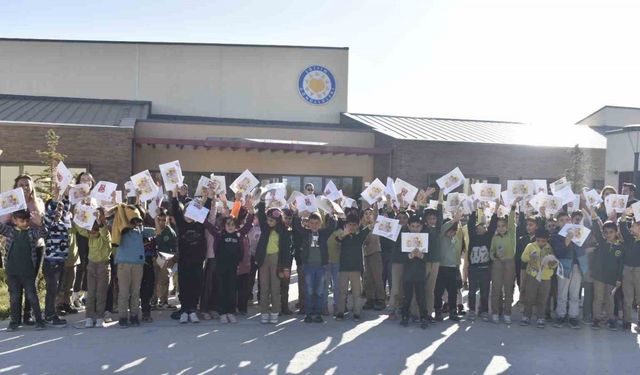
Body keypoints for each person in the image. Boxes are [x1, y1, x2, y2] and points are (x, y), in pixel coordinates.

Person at [1, 175, 46, 326]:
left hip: (34, 247)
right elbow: (2, 224)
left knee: (30, 287)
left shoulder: (38, 202)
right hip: (15, 252)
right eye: (22, 184)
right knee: (15, 293)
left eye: (27, 185)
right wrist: (9, 207)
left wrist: (40, 223)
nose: (25, 187)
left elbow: (42, 228)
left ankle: (29, 316)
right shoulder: (11, 201)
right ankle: (15, 319)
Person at [170, 187, 215, 324]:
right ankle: (184, 310)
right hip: (184, 260)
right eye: (188, 212)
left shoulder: (200, 222)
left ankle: (192, 310)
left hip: (197, 261)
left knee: (196, 285)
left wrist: (209, 196)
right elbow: (175, 207)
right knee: (184, 285)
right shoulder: (181, 222)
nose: (190, 215)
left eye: (193, 212)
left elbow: (206, 209)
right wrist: (174, 193)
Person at [112, 201, 157, 328]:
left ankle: (134, 316)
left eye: (138, 219)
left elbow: (157, 231)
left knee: (135, 292)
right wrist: (117, 204)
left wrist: (157, 217)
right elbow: (117, 216)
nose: (136, 221)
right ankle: (122, 317)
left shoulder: (141, 229)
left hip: (138, 265)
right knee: (124, 292)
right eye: (134, 219)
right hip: (123, 264)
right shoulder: (121, 228)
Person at [210, 197, 254, 324]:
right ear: (224, 225)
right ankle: (222, 312)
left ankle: (230, 311)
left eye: (232, 225)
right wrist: (199, 212)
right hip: (221, 267)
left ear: (235, 226)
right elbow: (207, 225)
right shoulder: (219, 235)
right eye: (227, 224)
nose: (230, 227)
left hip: (233, 267)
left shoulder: (238, 234)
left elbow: (249, 224)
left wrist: (251, 210)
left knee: (231, 289)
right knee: (222, 289)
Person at [294, 210, 336, 323]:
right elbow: (296, 225)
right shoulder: (306, 233)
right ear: (308, 223)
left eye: (317, 223)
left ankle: (318, 313)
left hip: (321, 267)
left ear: (321, 223)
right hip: (308, 266)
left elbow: (332, 227)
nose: (314, 225)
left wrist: (332, 214)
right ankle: (308, 313)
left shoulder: (323, 233)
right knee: (309, 290)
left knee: (319, 291)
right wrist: (298, 214)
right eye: (311, 223)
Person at [255, 200, 293, 324]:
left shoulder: (284, 232)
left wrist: (286, 268)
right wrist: (262, 201)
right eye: (268, 220)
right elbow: (261, 215)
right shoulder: (265, 228)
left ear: (277, 221)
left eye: (271, 220)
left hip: (277, 260)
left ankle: (275, 312)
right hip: (264, 259)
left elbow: (287, 252)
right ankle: (264, 312)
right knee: (264, 286)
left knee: (275, 287)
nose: (268, 222)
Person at [77, 208, 112, 328]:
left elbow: (104, 232)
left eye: (93, 231)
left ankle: (100, 317)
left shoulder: (105, 236)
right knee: (91, 293)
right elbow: (81, 229)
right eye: (90, 231)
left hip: (103, 265)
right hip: (91, 265)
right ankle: (89, 317)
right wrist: (79, 215)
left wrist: (98, 220)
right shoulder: (90, 235)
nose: (91, 233)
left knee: (101, 293)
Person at [550, 211, 586, 329]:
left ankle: (573, 316)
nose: (565, 222)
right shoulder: (555, 236)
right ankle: (561, 315)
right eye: (562, 220)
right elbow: (559, 251)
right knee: (562, 292)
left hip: (577, 265)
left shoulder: (578, 232)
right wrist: (567, 239)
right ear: (558, 223)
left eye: (567, 220)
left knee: (575, 293)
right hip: (564, 265)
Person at [588, 211, 624, 331]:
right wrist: (594, 219)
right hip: (599, 277)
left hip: (612, 278)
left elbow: (621, 265)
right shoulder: (602, 243)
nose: (608, 234)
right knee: (598, 298)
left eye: (611, 232)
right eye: (606, 232)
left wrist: (619, 278)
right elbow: (596, 231)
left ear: (616, 232)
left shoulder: (620, 247)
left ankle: (611, 319)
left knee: (610, 299)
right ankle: (596, 319)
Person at [42, 189, 71, 327]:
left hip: (61, 262)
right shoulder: (48, 223)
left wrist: (66, 196)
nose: (59, 211)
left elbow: (66, 208)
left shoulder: (63, 223)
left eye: (61, 209)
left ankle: (51, 312)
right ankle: (49, 315)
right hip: (50, 263)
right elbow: (49, 215)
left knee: (57, 289)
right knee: (52, 290)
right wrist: (55, 200)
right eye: (56, 209)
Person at [335, 213, 370, 321]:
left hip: (356, 269)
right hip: (343, 269)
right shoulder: (342, 236)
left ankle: (357, 312)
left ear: (358, 225)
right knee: (342, 292)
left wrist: (370, 218)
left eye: (354, 224)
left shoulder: (359, 236)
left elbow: (369, 228)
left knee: (356, 292)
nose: (352, 227)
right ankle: (340, 312)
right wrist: (344, 234)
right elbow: (338, 240)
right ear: (345, 225)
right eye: (350, 224)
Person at [467, 201, 498, 321]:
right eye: (478, 227)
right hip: (473, 269)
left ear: (486, 229)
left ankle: (484, 311)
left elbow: (493, 225)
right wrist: (474, 209)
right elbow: (470, 224)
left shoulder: (488, 237)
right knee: (471, 292)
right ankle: (471, 310)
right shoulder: (473, 237)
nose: (480, 228)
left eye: (483, 227)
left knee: (485, 292)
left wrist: (496, 209)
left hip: (485, 269)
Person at [489, 199, 518, 324]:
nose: (501, 228)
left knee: (508, 289)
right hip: (497, 264)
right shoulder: (495, 238)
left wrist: (513, 205)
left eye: (503, 226)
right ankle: (495, 312)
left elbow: (511, 220)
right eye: (499, 226)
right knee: (496, 289)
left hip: (509, 263)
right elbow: (491, 252)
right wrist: (495, 256)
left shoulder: (511, 234)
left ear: (507, 227)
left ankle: (507, 313)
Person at [520, 228, 557, 328]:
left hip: (546, 277)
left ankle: (541, 317)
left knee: (543, 298)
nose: (541, 243)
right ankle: (526, 316)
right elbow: (523, 258)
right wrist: (530, 257)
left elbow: (554, 263)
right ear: (536, 239)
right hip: (532, 275)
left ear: (547, 240)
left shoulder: (550, 248)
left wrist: (552, 263)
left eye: (543, 241)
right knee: (529, 297)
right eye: (539, 240)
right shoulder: (530, 246)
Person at [401, 214, 432, 329]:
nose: (415, 228)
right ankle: (405, 316)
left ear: (421, 227)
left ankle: (423, 317)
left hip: (420, 274)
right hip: (408, 274)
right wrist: (410, 255)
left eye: (417, 226)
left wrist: (421, 256)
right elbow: (401, 256)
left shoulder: (425, 238)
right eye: (412, 226)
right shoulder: (405, 238)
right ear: (408, 226)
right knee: (407, 297)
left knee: (421, 297)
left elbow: (429, 257)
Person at [434, 212, 464, 322]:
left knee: (453, 292)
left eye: (454, 231)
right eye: (450, 230)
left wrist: (457, 221)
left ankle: (453, 311)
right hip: (442, 268)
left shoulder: (456, 238)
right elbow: (442, 229)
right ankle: (438, 311)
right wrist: (453, 220)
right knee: (438, 292)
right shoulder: (441, 237)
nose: (452, 233)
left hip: (453, 268)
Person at [619, 208, 640, 331]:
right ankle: (626, 321)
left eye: (633, 226)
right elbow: (622, 226)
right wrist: (623, 215)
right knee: (627, 297)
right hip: (627, 270)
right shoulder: (629, 238)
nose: (631, 228)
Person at [362, 207, 386, 311]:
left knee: (377, 278)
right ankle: (370, 299)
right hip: (365, 255)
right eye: (366, 213)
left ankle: (380, 299)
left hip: (375, 253)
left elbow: (377, 214)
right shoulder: (362, 227)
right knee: (368, 279)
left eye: (370, 213)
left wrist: (376, 204)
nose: (368, 215)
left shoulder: (377, 226)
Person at [154, 208, 177, 310]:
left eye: (164, 220)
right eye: (159, 220)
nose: (162, 222)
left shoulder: (170, 232)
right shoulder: (153, 229)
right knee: (154, 280)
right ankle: (153, 301)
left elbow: (174, 248)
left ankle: (163, 301)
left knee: (164, 280)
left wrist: (172, 260)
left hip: (165, 258)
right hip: (154, 258)